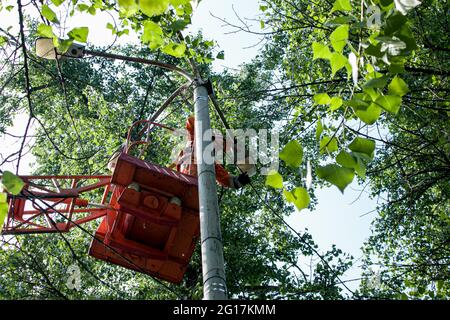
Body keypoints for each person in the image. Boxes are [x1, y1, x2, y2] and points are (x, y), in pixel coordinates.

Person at [173, 116, 251, 189]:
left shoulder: (211, 163)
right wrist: (205, 131)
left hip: (197, 189)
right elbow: (191, 121)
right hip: (184, 178)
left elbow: (225, 179)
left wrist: (240, 180)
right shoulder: (193, 141)